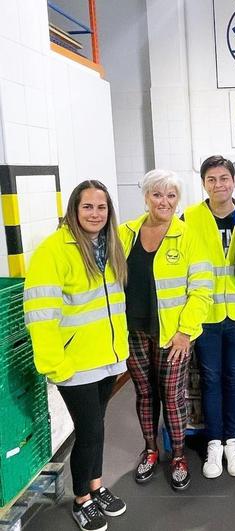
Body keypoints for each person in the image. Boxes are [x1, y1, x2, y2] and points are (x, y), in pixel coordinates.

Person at [24, 180, 128, 531]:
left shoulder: (110, 245)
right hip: (75, 364)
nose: (95, 213)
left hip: (107, 357)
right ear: (74, 209)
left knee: (96, 428)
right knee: (88, 431)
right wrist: (56, 364)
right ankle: (81, 499)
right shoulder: (54, 250)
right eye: (88, 207)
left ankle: (96, 487)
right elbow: (39, 313)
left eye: (102, 207)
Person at [119, 169, 213, 491]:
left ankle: (178, 456)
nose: (164, 201)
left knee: (172, 398)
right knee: (145, 394)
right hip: (133, 333)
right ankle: (150, 450)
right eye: (157, 194)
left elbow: (202, 290)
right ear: (145, 197)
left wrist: (185, 332)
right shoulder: (124, 233)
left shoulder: (188, 236)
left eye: (171, 195)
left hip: (173, 336)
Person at [183, 156, 235, 479]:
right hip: (206, 314)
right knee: (210, 379)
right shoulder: (190, 218)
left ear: (234, 181)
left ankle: (232, 441)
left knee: (234, 377)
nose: (218, 185)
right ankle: (213, 442)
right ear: (203, 183)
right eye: (211, 179)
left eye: (224, 178)